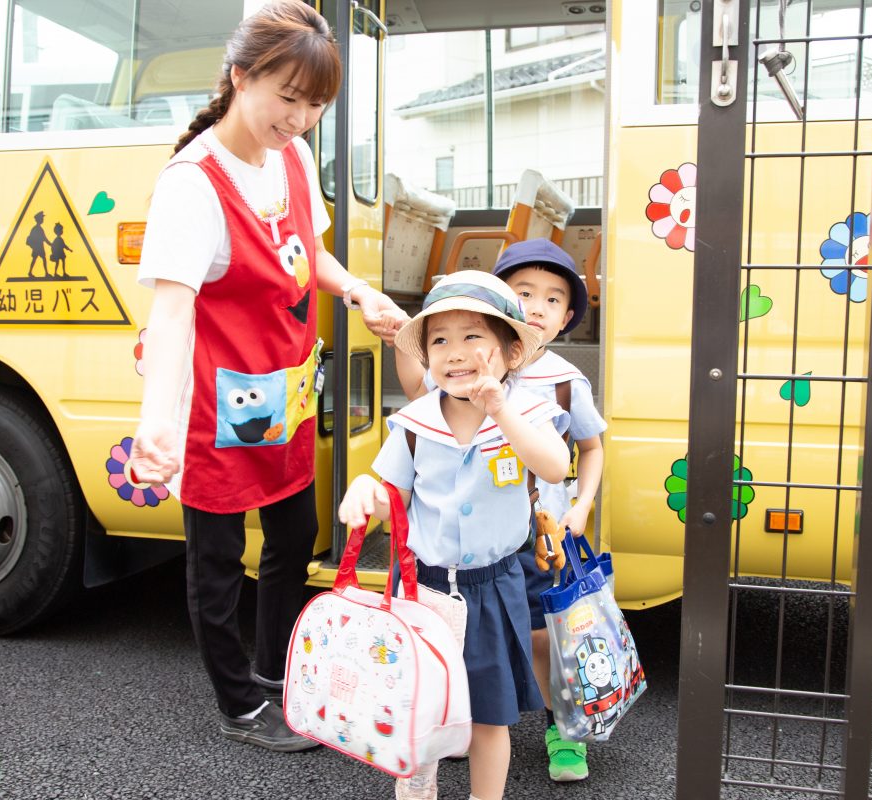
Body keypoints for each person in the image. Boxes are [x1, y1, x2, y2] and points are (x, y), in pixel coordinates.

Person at [129, 0, 407, 753]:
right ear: (240, 76)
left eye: (316, 105)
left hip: (280, 386)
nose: (301, 118)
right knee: (216, 558)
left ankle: (275, 672)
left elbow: (307, 256)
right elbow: (174, 314)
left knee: (296, 529)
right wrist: (157, 425)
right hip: (215, 399)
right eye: (288, 98)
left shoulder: (292, 157)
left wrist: (357, 291)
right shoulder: (192, 184)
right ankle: (236, 705)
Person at [340, 270, 571, 800]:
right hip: (420, 590)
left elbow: (556, 467)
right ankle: (416, 790)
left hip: (494, 585)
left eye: (472, 337)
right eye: (439, 340)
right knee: (416, 705)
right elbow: (388, 496)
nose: (454, 352)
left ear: (511, 351)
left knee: (490, 717)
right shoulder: (414, 422)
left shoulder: (528, 413)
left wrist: (498, 409)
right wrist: (363, 490)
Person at [395, 239, 605, 782]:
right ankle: (466, 721)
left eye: (553, 299)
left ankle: (565, 726)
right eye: (524, 292)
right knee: (466, 658)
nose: (538, 305)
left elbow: (575, 455)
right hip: (468, 558)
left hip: (542, 535)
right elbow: (408, 431)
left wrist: (581, 506)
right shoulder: (440, 397)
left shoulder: (559, 384)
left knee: (548, 636)